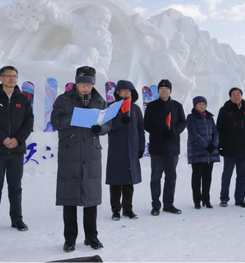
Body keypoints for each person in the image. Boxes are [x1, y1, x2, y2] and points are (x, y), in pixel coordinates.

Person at [51, 66, 112, 252]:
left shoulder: (100, 100)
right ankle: (70, 239)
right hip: (70, 153)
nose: (86, 88)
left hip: (91, 153)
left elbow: (108, 124)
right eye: (82, 84)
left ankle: (91, 237)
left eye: (89, 84)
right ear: (76, 83)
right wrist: (75, 117)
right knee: (69, 199)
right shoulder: (63, 99)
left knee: (90, 199)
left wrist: (99, 129)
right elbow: (56, 122)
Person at [0, 66, 34, 234]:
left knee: (15, 187)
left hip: (16, 151)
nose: (12, 79)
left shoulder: (24, 99)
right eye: (8, 76)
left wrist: (17, 140)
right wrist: (3, 139)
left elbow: (29, 123)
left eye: (15, 76)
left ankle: (17, 219)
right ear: (1, 78)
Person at [144, 79, 187, 216]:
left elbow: (183, 122)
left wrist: (174, 131)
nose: (164, 90)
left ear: (170, 90)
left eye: (166, 88)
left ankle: (169, 204)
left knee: (171, 177)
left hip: (172, 148)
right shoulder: (151, 106)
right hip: (157, 147)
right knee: (155, 177)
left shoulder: (177, 106)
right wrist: (160, 131)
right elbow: (147, 125)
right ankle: (155, 205)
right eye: (161, 88)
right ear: (158, 91)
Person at [106, 80, 145, 221]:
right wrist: (121, 120)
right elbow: (107, 126)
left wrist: (141, 148)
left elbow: (141, 130)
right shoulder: (111, 107)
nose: (127, 93)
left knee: (129, 182)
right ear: (118, 92)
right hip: (117, 149)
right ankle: (115, 210)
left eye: (129, 91)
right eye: (124, 91)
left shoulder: (136, 109)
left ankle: (128, 209)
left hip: (132, 150)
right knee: (116, 182)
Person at [216, 87, 245, 208]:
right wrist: (221, 146)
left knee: (242, 176)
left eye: (238, 94)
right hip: (229, 149)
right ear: (230, 96)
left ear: (242, 96)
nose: (236, 96)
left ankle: (240, 199)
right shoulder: (224, 110)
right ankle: (224, 198)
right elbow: (219, 129)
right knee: (227, 175)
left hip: (244, 149)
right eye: (233, 94)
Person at [186, 96, 219, 209]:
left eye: (203, 104)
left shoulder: (210, 117)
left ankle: (206, 199)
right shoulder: (191, 117)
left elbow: (216, 132)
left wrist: (214, 144)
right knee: (197, 176)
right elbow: (193, 133)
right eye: (199, 104)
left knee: (207, 177)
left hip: (210, 153)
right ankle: (197, 200)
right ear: (195, 105)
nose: (202, 106)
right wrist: (206, 145)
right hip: (198, 152)